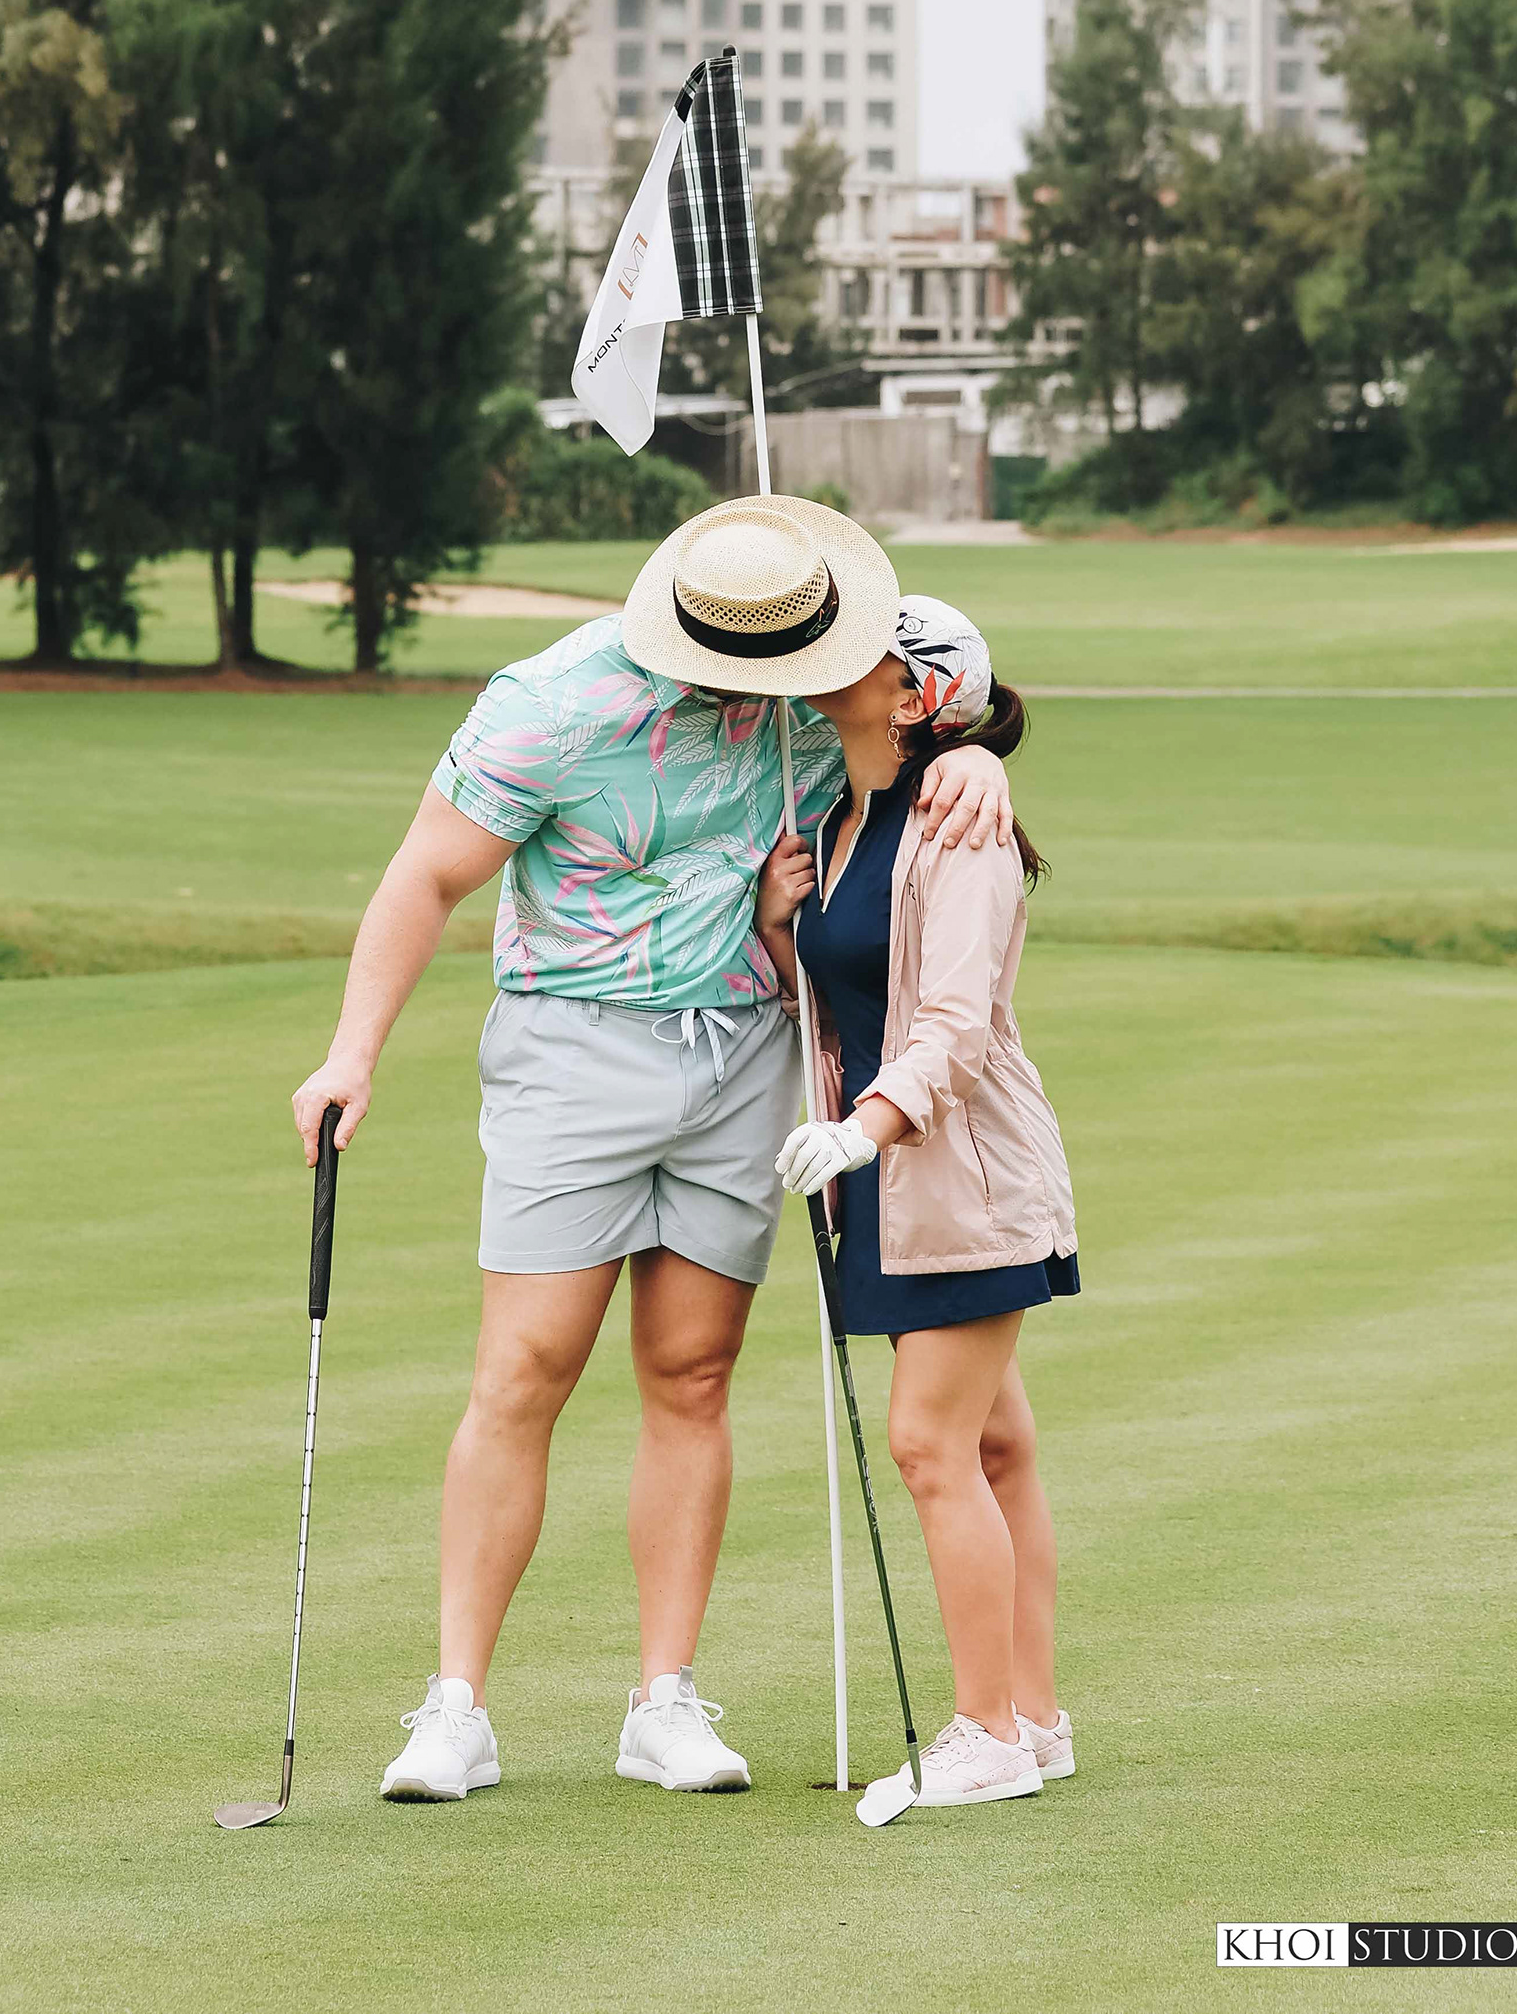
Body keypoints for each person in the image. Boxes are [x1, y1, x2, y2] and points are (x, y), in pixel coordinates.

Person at [290, 498, 1017, 1802]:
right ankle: (455, 1708)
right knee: (524, 1371)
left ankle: (663, 1702)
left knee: (691, 1374)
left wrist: (980, 761)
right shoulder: (554, 704)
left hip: (746, 1055)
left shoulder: (812, 693)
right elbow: (425, 878)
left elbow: (931, 717)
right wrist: (353, 1053)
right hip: (572, 1053)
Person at [753, 595, 1078, 1825]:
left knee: (930, 1446)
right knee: (994, 1446)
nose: (831, 671)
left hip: (956, 1171)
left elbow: (950, 1026)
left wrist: (862, 1129)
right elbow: (846, 996)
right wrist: (782, 927)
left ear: (917, 695)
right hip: (883, 1173)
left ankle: (986, 1732)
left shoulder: (960, 820)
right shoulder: (837, 821)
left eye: (866, 660)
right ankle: (1034, 1718)